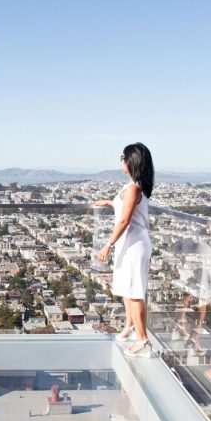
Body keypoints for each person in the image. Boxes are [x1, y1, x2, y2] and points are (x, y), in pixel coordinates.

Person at [95, 143, 154, 358]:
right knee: (127, 290)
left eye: (123, 157)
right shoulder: (132, 186)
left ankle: (143, 339)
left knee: (135, 292)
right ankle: (130, 326)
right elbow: (124, 208)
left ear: (131, 161)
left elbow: (124, 220)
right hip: (129, 243)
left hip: (134, 244)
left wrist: (107, 245)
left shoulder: (133, 188)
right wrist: (110, 202)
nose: (121, 160)